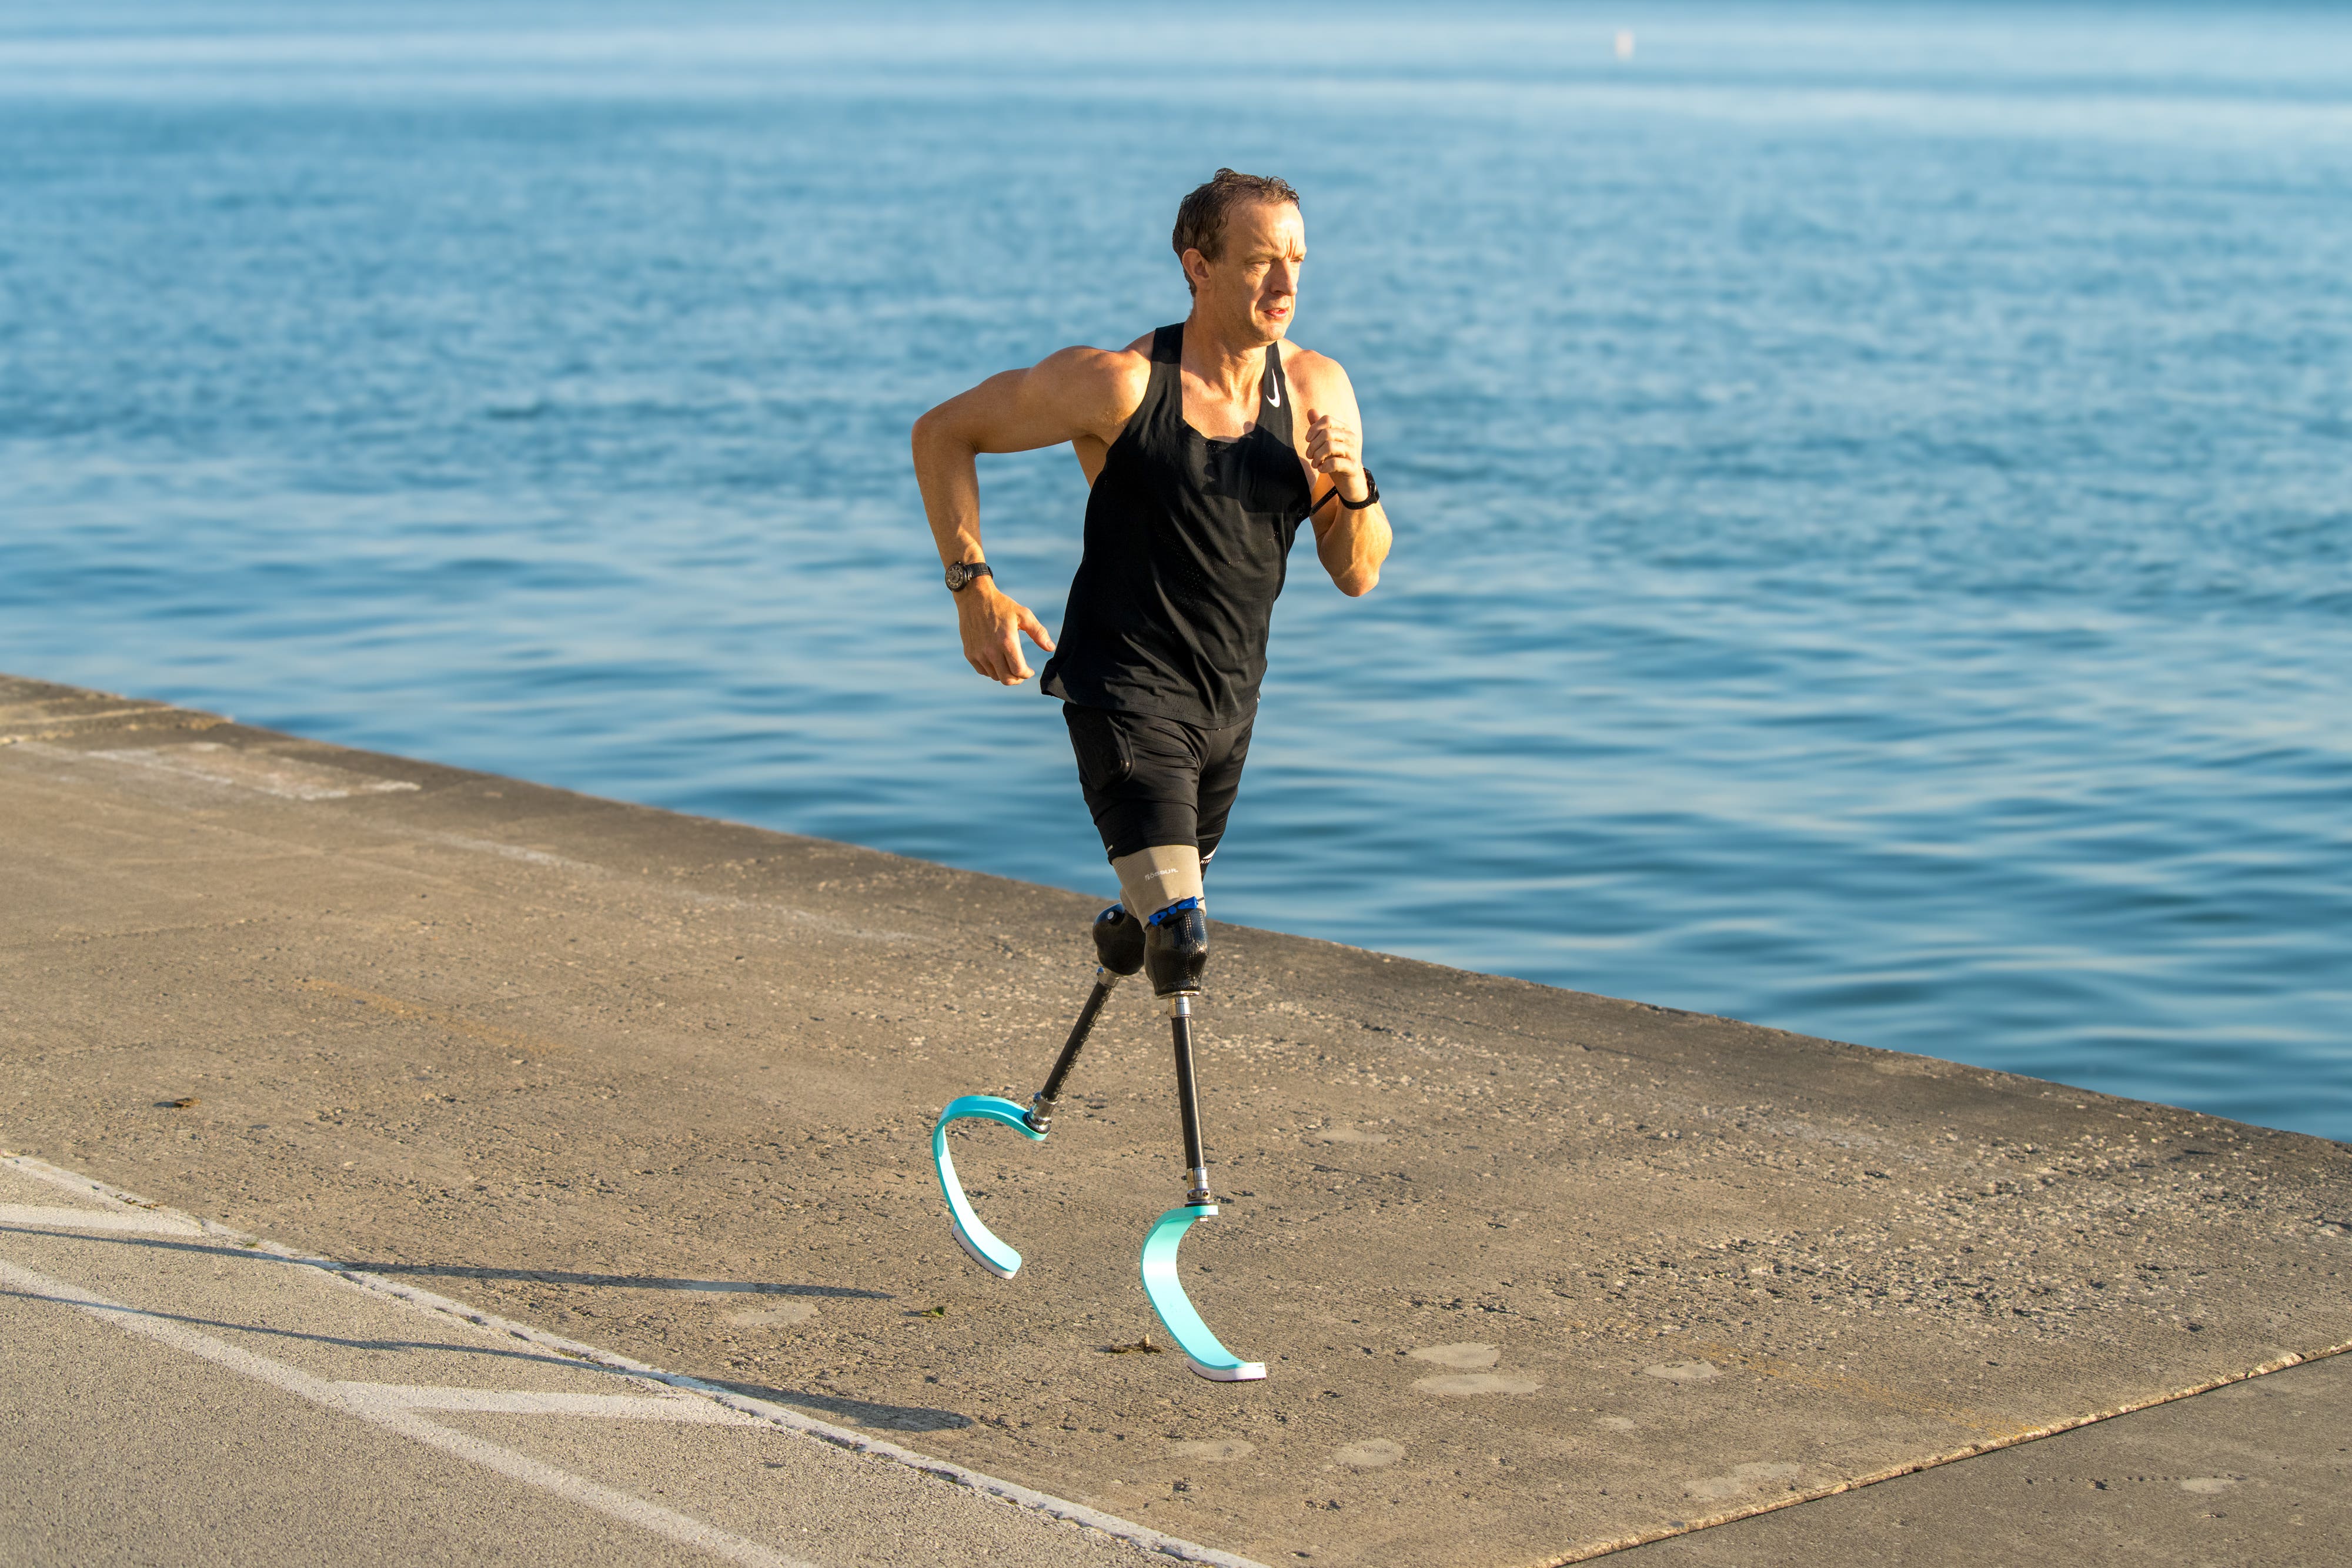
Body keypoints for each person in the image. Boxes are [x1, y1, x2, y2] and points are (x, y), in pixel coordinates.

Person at [910, 170, 1391, 1378]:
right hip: (1120, 692)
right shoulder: (1119, 385)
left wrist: (1348, 479)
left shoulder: (1320, 391)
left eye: (1296, 261)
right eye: (1256, 261)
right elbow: (943, 430)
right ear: (1195, 263)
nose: (1281, 282)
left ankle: (1036, 1091)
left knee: (1150, 912)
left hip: (1228, 715)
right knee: (1183, 931)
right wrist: (972, 585)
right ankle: (1184, 1212)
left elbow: (1357, 570)